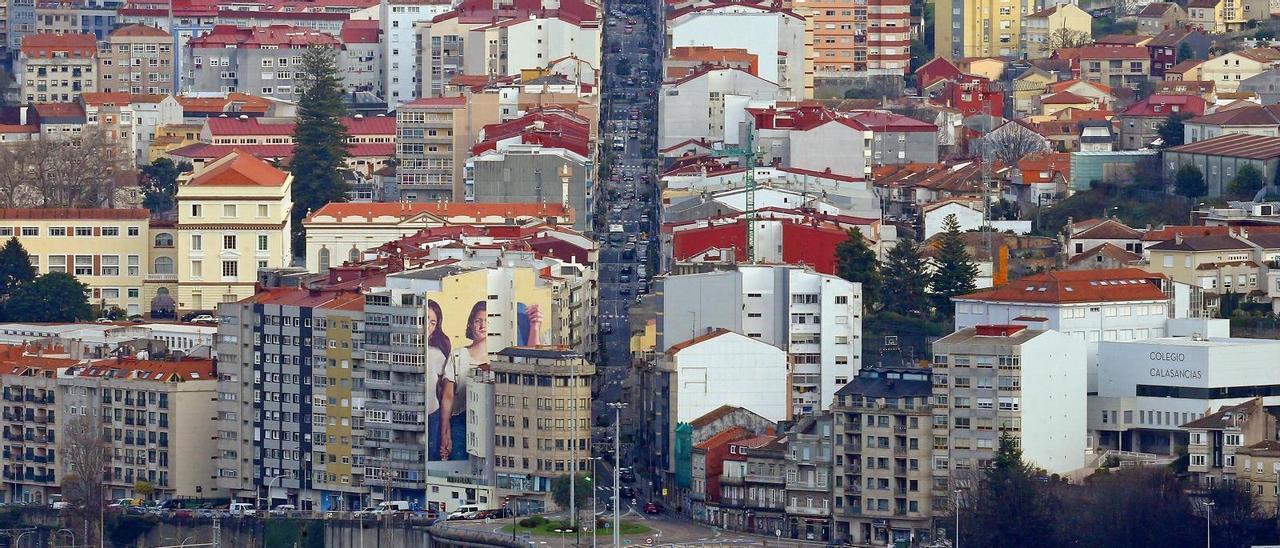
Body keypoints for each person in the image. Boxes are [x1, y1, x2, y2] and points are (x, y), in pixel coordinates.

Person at [439, 301, 490, 460]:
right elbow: (448, 396)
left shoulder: (499, 356)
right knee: (460, 464)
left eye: (487, 321)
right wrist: (445, 432)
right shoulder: (458, 355)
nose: (482, 325)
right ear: (470, 324)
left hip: (491, 421)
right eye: (478, 321)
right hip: (461, 420)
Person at [424, 300, 452, 461]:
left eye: (432, 322)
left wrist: (445, 431)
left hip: (431, 415)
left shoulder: (435, 354)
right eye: (425, 318)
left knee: (431, 457)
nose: (428, 325)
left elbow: (445, 392)